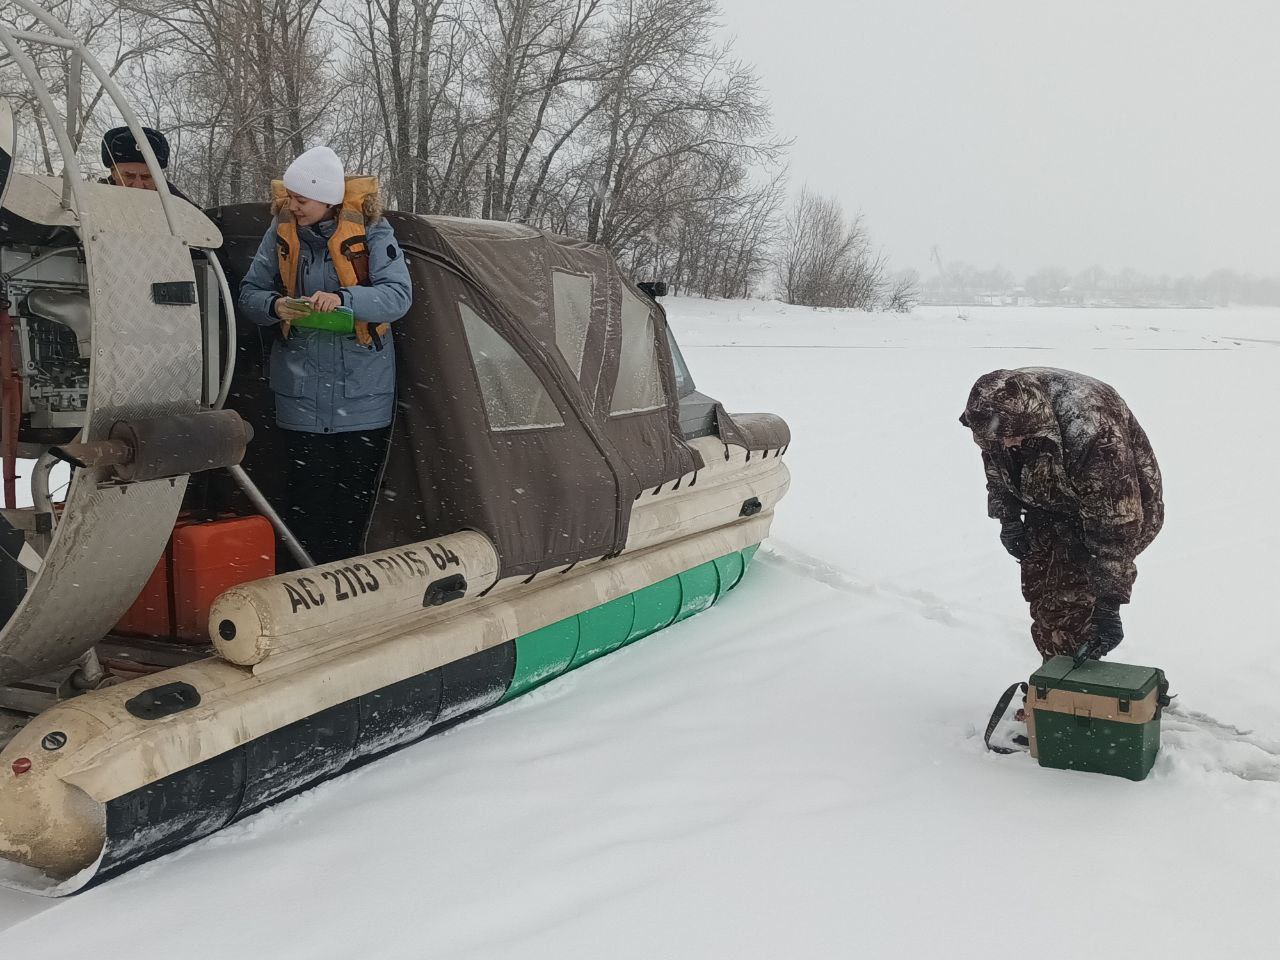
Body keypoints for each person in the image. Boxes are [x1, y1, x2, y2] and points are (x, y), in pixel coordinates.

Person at [237, 145, 412, 564]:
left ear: (329, 198)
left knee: (354, 507)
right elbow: (248, 293)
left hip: (362, 398)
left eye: (301, 199)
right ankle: (306, 580)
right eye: (290, 198)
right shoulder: (279, 234)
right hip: (300, 396)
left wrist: (343, 298)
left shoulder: (372, 233)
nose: (292, 206)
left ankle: (347, 583)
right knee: (304, 502)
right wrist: (274, 307)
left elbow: (398, 297)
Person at [959, 367, 1164, 662]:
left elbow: (1117, 520)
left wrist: (1109, 604)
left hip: (1114, 512)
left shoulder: (1090, 428)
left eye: (1012, 436)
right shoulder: (997, 417)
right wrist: (1009, 519)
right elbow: (997, 470)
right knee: (1040, 591)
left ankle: (1073, 696)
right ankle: (1057, 681)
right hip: (1052, 501)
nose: (1006, 444)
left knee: (1069, 609)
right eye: (996, 439)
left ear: (1032, 421)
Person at [99, 125, 195, 202]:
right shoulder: (92, 204)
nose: (138, 186)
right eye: (129, 176)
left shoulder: (178, 206)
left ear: (158, 177)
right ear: (113, 172)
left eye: (146, 177)